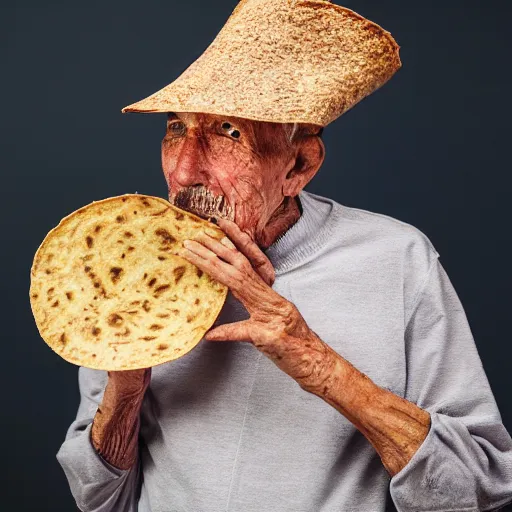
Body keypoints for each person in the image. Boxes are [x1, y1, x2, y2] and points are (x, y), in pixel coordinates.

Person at [57, 1, 512, 511]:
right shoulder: (135, 273)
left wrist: (321, 367)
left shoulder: (398, 260)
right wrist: (127, 377)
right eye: (176, 127)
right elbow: (99, 501)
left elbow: (477, 488)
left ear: (299, 165)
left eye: (229, 132)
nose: (184, 172)